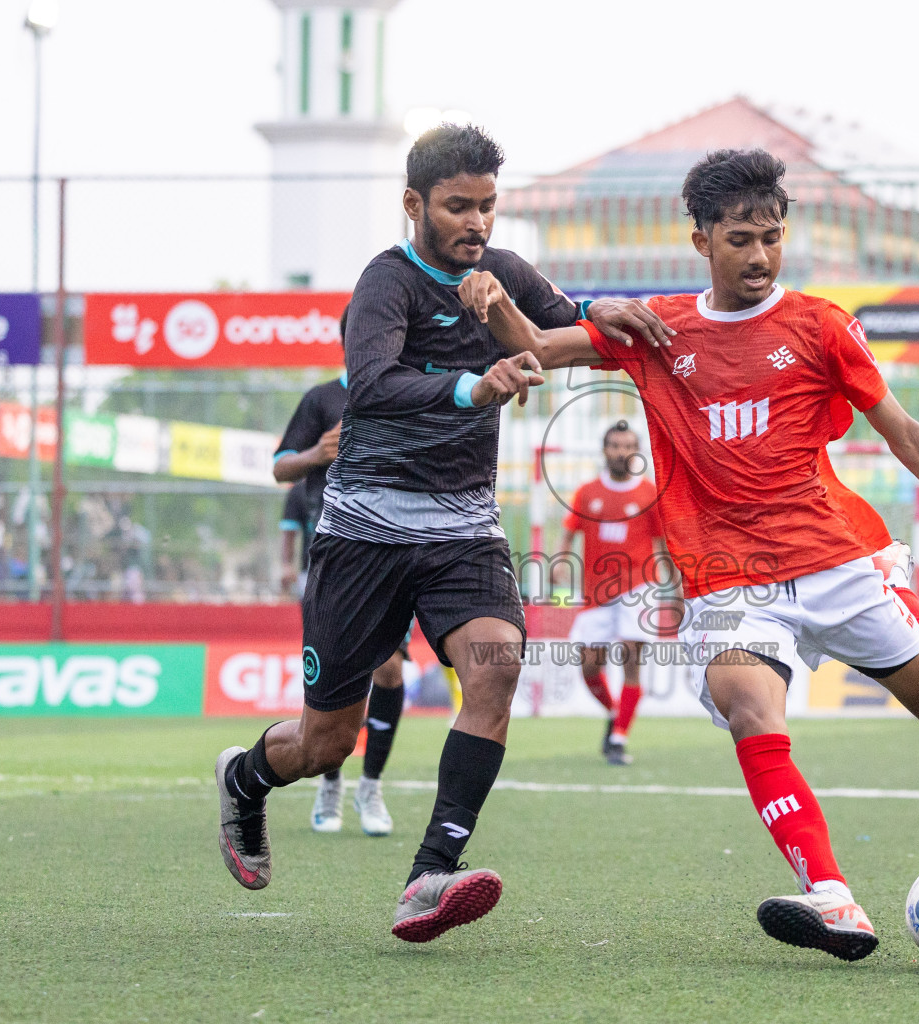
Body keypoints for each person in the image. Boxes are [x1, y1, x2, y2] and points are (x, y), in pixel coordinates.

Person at [459, 148, 919, 961]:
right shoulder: (655, 326)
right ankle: (833, 897)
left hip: (835, 561)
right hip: (729, 581)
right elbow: (536, 341)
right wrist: (491, 296)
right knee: (750, 707)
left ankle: (893, 584)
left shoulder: (821, 325)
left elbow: (906, 434)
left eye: (772, 236)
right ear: (702, 240)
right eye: (741, 238)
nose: (760, 255)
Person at [214, 123, 672, 944]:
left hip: (464, 529)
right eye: (459, 207)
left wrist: (600, 309)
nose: (477, 223)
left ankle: (430, 874)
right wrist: (474, 385)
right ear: (414, 204)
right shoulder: (385, 284)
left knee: (494, 671)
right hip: (363, 533)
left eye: (488, 206)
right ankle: (245, 781)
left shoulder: (502, 270)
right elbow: (375, 385)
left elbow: (561, 317)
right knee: (326, 743)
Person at [273, 350, 403, 837]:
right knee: (337, 673)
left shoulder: (403, 390)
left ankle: (371, 786)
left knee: (388, 669)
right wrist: (315, 455)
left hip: (392, 553)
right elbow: (281, 468)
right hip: (333, 562)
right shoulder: (322, 399)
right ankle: (331, 782)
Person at [558, 420, 671, 765]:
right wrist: (560, 561)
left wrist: (678, 584)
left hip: (640, 584)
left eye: (627, 446)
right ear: (604, 450)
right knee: (590, 667)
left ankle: (620, 738)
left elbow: (663, 544)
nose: (621, 452)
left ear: (636, 452)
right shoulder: (587, 492)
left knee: (629, 654)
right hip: (596, 591)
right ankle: (613, 713)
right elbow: (568, 532)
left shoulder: (649, 492)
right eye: (615, 446)